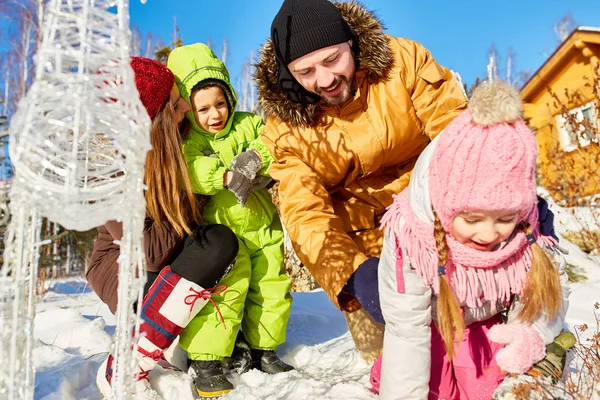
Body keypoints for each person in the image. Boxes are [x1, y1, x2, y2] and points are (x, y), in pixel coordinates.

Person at [256, 0, 557, 363]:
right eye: (305, 71)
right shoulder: (284, 129)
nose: (324, 80)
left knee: (476, 351)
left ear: (351, 42)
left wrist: (501, 189)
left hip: (432, 225)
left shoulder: (403, 63)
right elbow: (305, 213)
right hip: (360, 245)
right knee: (394, 365)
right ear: (288, 74)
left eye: (332, 60)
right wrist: (353, 275)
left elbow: (454, 133)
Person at [376, 81, 570, 399]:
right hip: (433, 325)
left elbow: (547, 295)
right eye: (472, 219)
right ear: (445, 206)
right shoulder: (411, 237)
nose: (488, 234)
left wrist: (530, 335)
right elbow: (406, 326)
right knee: (424, 387)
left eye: (505, 219)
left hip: (490, 321)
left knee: (483, 388)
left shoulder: (530, 230)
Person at [86, 57, 239, 398]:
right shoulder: (109, 172)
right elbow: (151, 252)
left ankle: (171, 338)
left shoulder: (180, 140)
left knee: (220, 240)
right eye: (174, 102)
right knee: (213, 244)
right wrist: (197, 186)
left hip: (169, 263)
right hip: (128, 271)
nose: (185, 104)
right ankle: (126, 366)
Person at [166, 43, 294, 394]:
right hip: (222, 232)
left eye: (220, 104)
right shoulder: (188, 139)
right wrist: (223, 175)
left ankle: (264, 349)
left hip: (262, 224)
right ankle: (206, 359)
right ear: (189, 110)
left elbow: (272, 142)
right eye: (203, 108)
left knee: (271, 287)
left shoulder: (248, 123)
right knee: (226, 292)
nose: (214, 115)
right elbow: (189, 170)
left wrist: (254, 158)